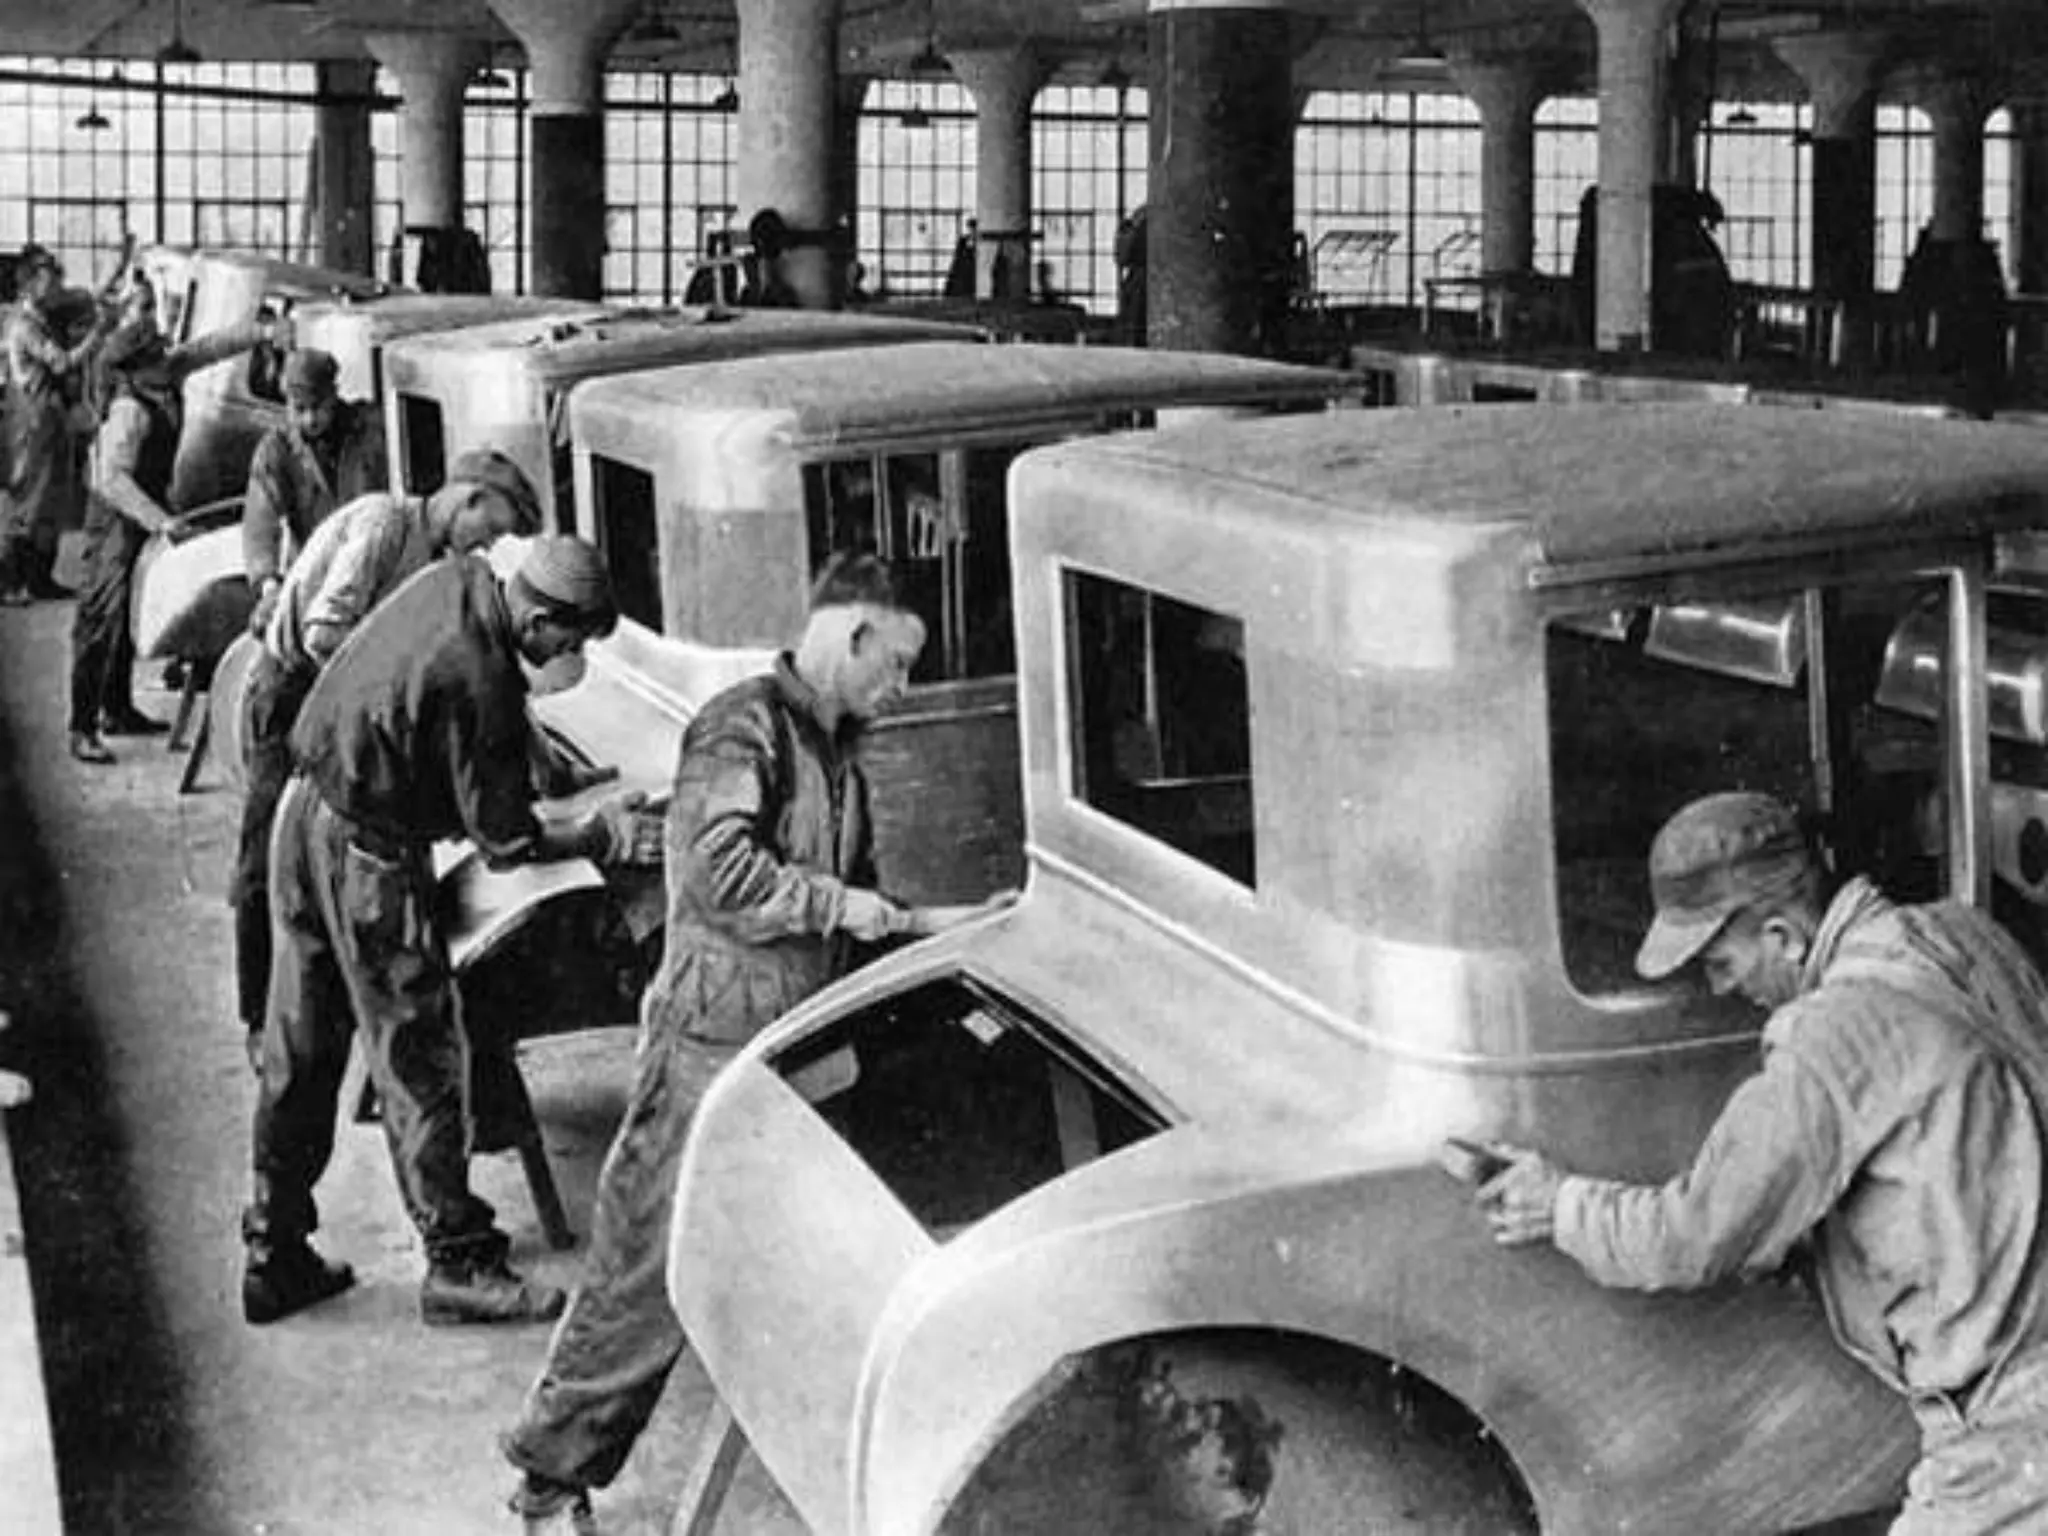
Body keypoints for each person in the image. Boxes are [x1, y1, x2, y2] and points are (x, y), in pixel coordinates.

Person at [500, 553, 1008, 1531]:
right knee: (648, 1263)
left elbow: (855, 897)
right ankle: (549, 1474)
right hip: (711, 1035)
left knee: (818, 1252)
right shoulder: (742, 729)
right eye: (897, 664)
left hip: (791, 1039)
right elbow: (720, 873)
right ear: (852, 635)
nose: (901, 688)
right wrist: (847, 907)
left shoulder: (832, 744)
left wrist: (949, 923)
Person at [1477, 791, 2048, 1533]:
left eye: (1722, 961)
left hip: (2009, 1432)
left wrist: (1559, 1204)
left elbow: (1694, 1235)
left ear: (1784, 935)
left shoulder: (1827, 1037)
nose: (1720, 987)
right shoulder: (1967, 935)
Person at [240, 534, 662, 1330]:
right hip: (366, 854)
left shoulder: (460, 581)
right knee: (422, 1053)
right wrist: (600, 835)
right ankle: (459, 1266)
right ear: (537, 619)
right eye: (567, 644)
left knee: (303, 1042)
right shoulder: (483, 675)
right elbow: (507, 843)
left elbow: (458, 704)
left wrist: (541, 764)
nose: (566, 659)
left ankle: (274, 1253)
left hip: (303, 813)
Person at [230, 450, 543, 1072]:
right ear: (469, 499)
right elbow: (323, 634)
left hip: (347, 712)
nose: (487, 546)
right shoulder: (383, 526)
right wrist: (383, 712)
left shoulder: (439, 564)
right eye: (491, 529)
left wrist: (533, 748)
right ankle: (258, 1021)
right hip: (293, 692)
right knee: (269, 861)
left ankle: (350, 1024)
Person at [67, 304, 282, 764]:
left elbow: (209, 348)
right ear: (135, 369)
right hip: (116, 517)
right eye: (156, 356)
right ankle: (81, 726)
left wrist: (262, 332)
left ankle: (116, 708)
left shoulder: (165, 373)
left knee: (129, 609)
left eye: (164, 352)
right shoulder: (129, 410)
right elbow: (111, 480)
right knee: (100, 616)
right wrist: (162, 521)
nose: (167, 359)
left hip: (141, 512)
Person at [241, 346, 387, 637]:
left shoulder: (372, 429)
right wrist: (269, 585)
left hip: (375, 567)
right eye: (299, 409)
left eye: (318, 407)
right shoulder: (276, 451)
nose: (310, 419)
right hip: (316, 575)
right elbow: (259, 525)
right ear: (286, 404)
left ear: (334, 395)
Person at [2, 245, 113, 604]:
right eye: (51, 280)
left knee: (50, 503)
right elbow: (63, 363)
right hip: (33, 424)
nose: (58, 287)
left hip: (48, 419)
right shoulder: (25, 326)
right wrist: (97, 335)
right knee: (31, 503)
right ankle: (10, 583)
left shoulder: (42, 318)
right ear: (31, 283)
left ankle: (40, 580)